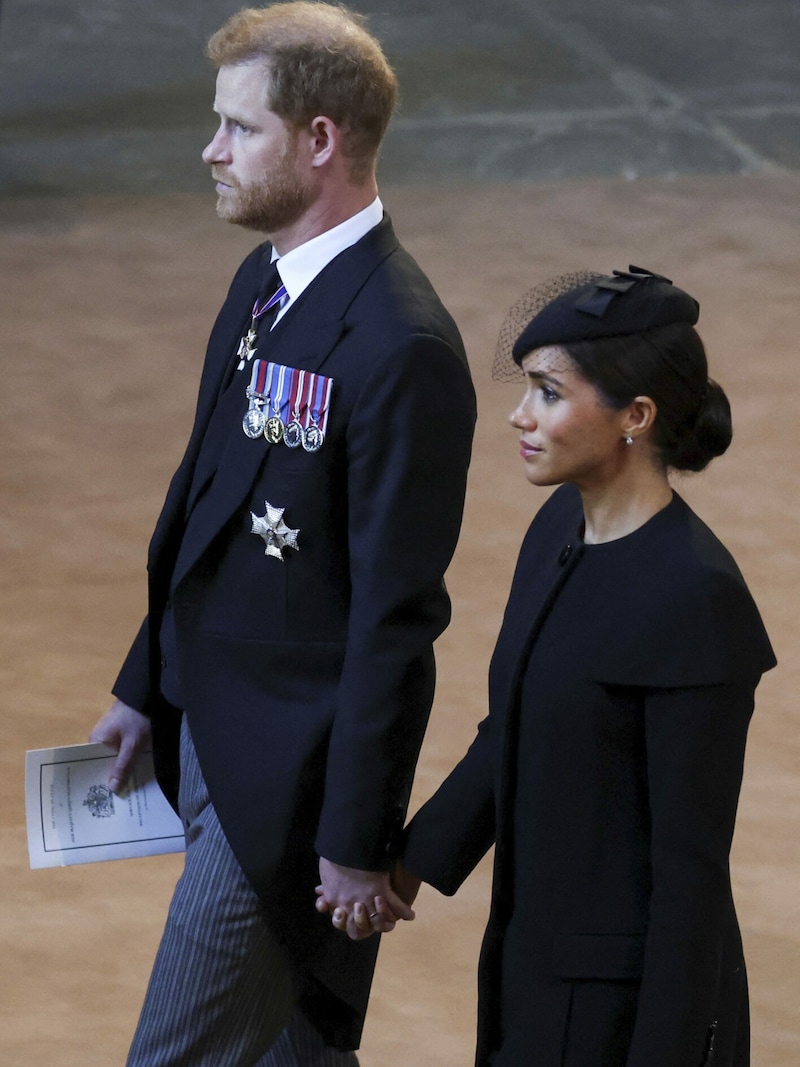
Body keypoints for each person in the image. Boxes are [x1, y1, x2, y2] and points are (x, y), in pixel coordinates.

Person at [88, 3, 476, 1064]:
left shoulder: (401, 347)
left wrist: (354, 840)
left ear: (319, 140)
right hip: (209, 725)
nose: (209, 150)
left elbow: (396, 620)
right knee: (291, 1050)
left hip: (289, 791)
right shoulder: (263, 283)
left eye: (237, 128)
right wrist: (144, 681)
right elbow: (200, 504)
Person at [392, 267, 775, 1066]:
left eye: (549, 393)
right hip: (534, 981)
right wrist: (410, 862)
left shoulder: (696, 600)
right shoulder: (557, 531)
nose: (519, 415)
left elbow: (688, 874)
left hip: (624, 1018)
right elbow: (515, 730)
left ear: (636, 415)